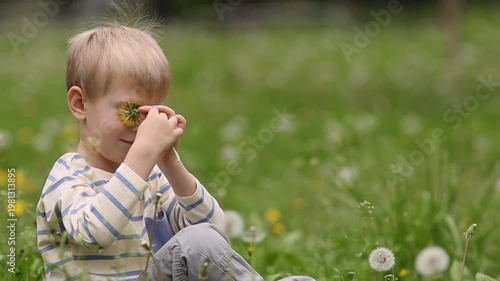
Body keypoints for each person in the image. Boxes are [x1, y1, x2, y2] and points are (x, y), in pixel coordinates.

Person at [36, 20, 315, 281]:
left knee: (201, 240)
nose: (142, 128)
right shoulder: (69, 176)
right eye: (131, 111)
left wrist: (168, 161)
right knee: (195, 246)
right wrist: (142, 155)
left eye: (152, 113)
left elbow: (214, 232)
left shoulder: (152, 176)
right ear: (80, 104)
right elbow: (95, 232)